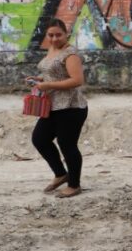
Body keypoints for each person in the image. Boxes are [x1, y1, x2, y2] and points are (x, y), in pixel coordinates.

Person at [27, 18, 87, 199]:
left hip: (71, 106)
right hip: (52, 105)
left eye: (58, 35)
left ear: (66, 33)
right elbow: (53, 73)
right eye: (50, 35)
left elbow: (77, 80)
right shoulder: (53, 49)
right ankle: (61, 174)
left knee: (67, 145)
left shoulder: (71, 53)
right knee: (39, 139)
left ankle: (74, 184)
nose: (54, 39)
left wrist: (48, 85)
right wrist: (39, 80)